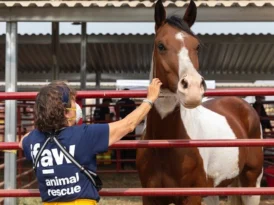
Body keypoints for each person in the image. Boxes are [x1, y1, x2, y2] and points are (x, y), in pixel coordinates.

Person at [19, 78, 162, 205]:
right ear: (64, 112)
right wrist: (150, 99)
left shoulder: (32, 140)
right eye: (73, 102)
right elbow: (128, 124)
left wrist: (42, 128)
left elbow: (22, 142)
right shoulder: (84, 135)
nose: (77, 107)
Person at [115, 89, 137, 169]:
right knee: (131, 144)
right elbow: (134, 113)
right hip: (130, 125)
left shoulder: (118, 103)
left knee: (121, 145)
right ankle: (131, 163)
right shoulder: (131, 102)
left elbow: (116, 112)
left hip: (120, 125)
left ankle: (121, 164)